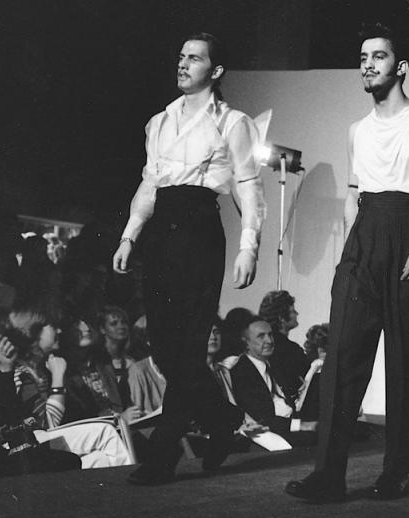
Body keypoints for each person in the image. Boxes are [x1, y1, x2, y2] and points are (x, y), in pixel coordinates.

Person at [285, 21, 409, 503]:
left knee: (406, 359)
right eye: (362, 57)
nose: (367, 64)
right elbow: (355, 192)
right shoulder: (357, 130)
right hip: (365, 236)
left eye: (377, 56)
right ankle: (328, 475)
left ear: (399, 67)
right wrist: (349, 247)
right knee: (341, 356)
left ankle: (396, 471)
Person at [111, 32, 264, 484]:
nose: (183, 64)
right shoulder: (158, 123)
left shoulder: (233, 122)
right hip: (162, 232)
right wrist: (128, 237)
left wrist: (248, 245)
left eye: (194, 58)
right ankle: (222, 418)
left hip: (200, 230)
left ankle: (163, 458)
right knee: (163, 347)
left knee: (190, 344)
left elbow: (249, 185)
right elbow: (149, 184)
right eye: (181, 56)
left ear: (215, 71)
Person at [258, 290, 306, 401]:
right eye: (293, 311)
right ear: (281, 318)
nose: (297, 314)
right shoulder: (292, 350)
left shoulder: (261, 347)